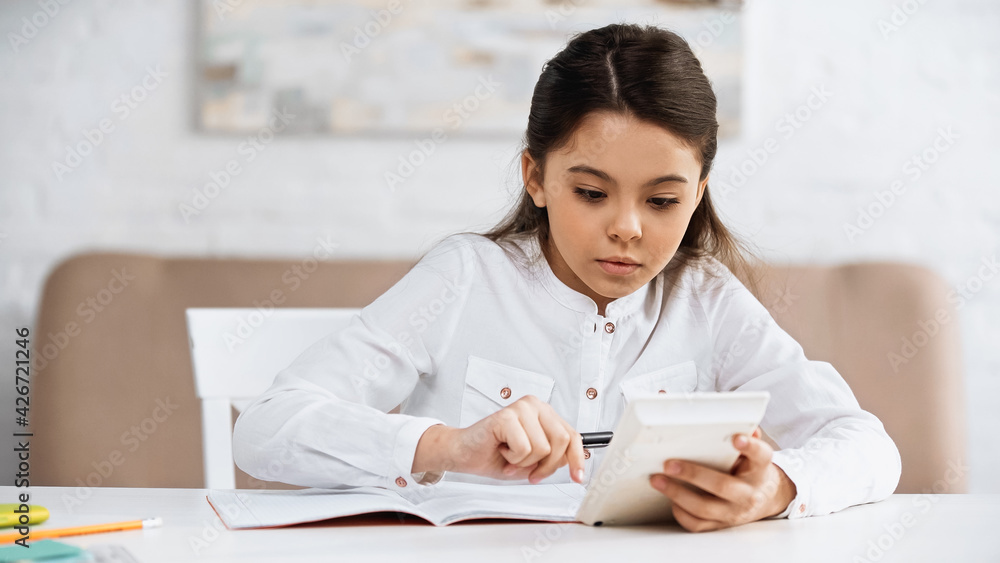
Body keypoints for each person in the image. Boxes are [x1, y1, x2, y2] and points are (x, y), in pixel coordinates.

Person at [232, 22, 900, 532]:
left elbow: (867, 444)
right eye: (591, 192)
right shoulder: (465, 277)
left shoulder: (707, 301)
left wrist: (777, 484)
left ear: (698, 193)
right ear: (537, 177)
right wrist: (449, 445)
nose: (628, 228)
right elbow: (265, 430)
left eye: (662, 201)